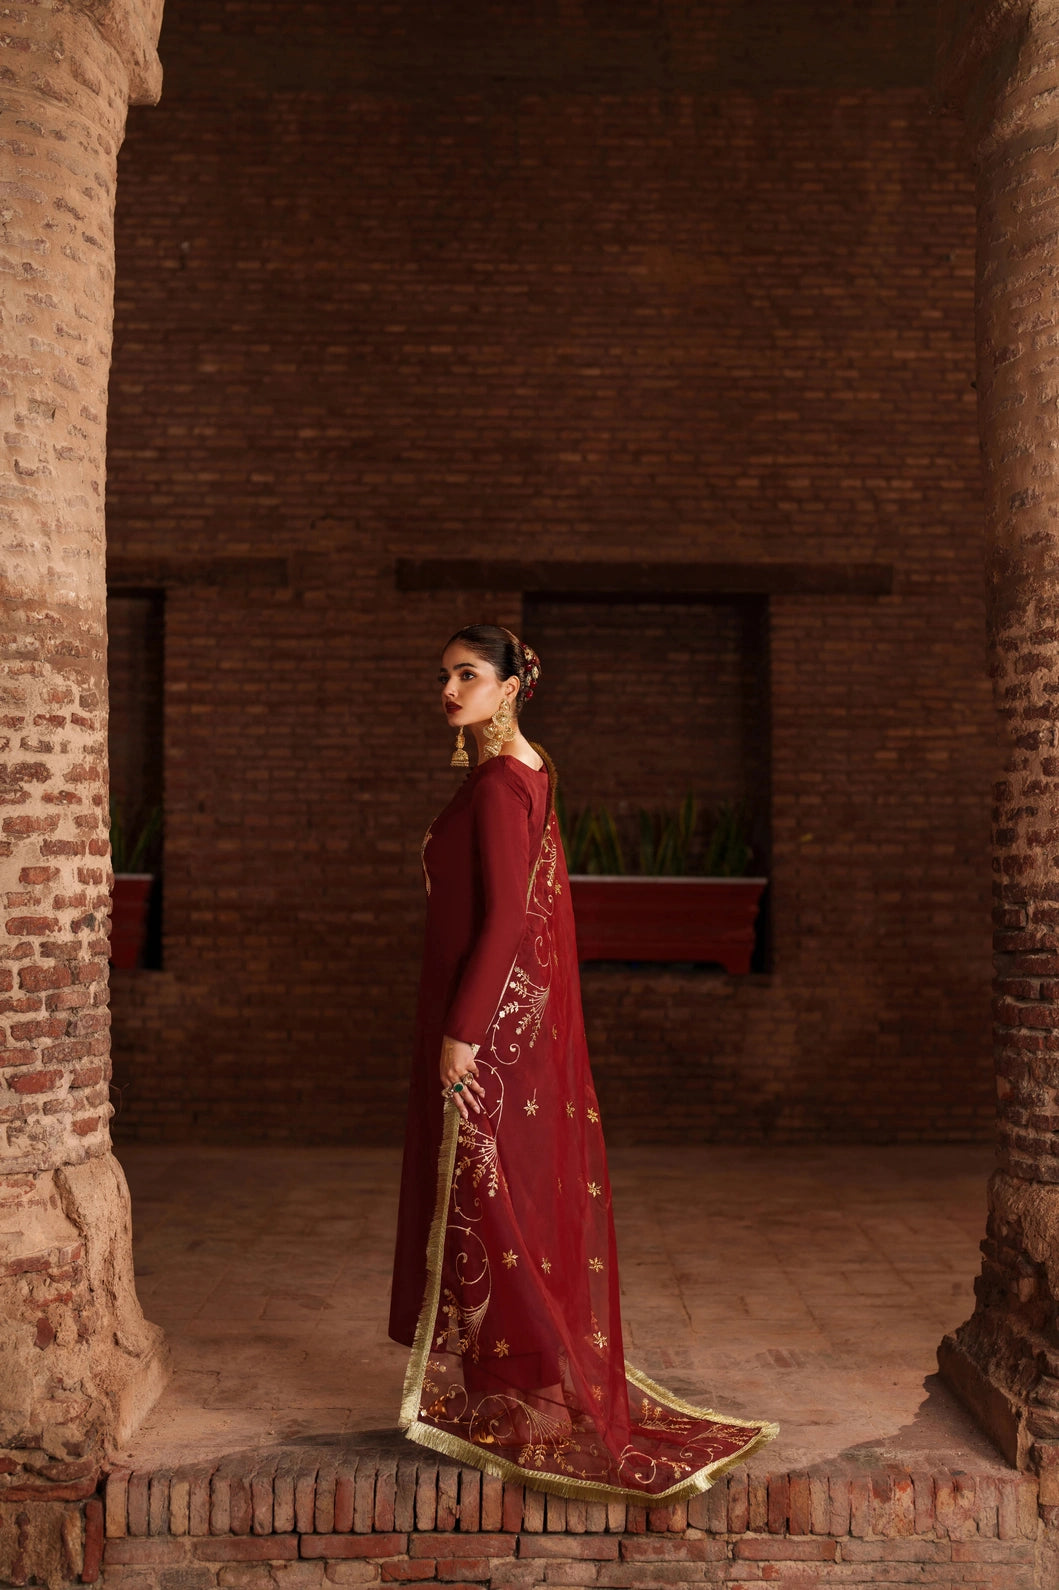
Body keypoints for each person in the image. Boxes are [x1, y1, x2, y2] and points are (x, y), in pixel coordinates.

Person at [390, 623, 776, 1502]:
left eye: (466, 675)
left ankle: (525, 1395)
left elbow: (504, 920)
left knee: (490, 1200)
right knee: (504, 1196)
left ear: (509, 686)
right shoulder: (532, 768)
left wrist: (463, 1030)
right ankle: (527, 1386)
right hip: (503, 1019)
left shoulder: (500, 783)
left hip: (484, 1024)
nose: (448, 690)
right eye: (442, 675)